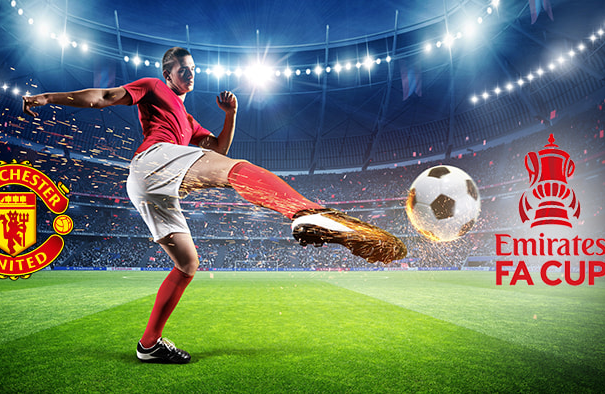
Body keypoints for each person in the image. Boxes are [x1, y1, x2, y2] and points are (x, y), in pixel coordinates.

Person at [22, 47, 406, 364]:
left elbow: (217, 150)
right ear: (167, 74)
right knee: (241, 171)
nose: (191, 75)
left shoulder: (187, 120)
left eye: (193, 70)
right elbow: (104, 98)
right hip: (154, 159)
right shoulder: (153, 87)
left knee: (188, 265)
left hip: (151, 186)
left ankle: (149, 345)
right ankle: (306, 211)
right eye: (183, 70)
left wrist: (231, 116)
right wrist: (47, 98)